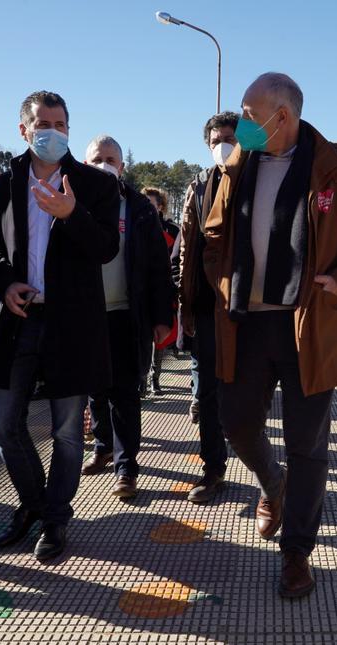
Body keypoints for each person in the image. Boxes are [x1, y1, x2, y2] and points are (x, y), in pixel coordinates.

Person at [203, 73, 337, 598]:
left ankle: (297, 554)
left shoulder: (334, 167)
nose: (241, 123)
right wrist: (222, 280)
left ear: (282, 116)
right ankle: (271, 485)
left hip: (307, 323)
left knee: (307, 445)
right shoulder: (240, 162)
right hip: (246, 320)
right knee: (236, 424)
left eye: (248, 111)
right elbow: (215, 232)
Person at [0, 92, 121, 561]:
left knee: (66, 431)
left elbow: (106, 247)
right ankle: (33, 503)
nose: (53, 131)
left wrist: (72, 214)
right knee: (3, 422)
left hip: (72, 323)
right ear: (24, 129)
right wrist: (4, 283)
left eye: (61, 124)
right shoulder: (7, 181)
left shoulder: (95, 185)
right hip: (20, 319)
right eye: (43, 123)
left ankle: (55, 520)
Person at [77, 136, 173, 500]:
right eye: (98, 158)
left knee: (125, 393)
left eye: (111, 158)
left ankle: (126, 468)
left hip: (127, 315)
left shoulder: (138, 208)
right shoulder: (73, 203)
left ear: (122, 165)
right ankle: (102, 447)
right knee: (94, 389)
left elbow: (158, 268)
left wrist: (162, 316)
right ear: (86, 165)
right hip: (87, 315)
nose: (105, 164)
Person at [178, 111, 239, 503]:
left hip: (248, 307)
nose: (223, 145)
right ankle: (213, 469)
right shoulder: (197, 187)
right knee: (210, 396)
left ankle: (267, 471)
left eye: (230, 138)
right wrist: (184, 301)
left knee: (248, 396)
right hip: (206, 305)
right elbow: (185, 248)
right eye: (217, 139)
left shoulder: (254, 180)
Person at [141, 186, 177, 396]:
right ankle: (141, 382)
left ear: (160, 206)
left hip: (162, 289)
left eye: (151, 203)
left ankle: (155, 379)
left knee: (160, 341)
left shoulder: (172, 230)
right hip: (138, 291)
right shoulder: (134, 225)